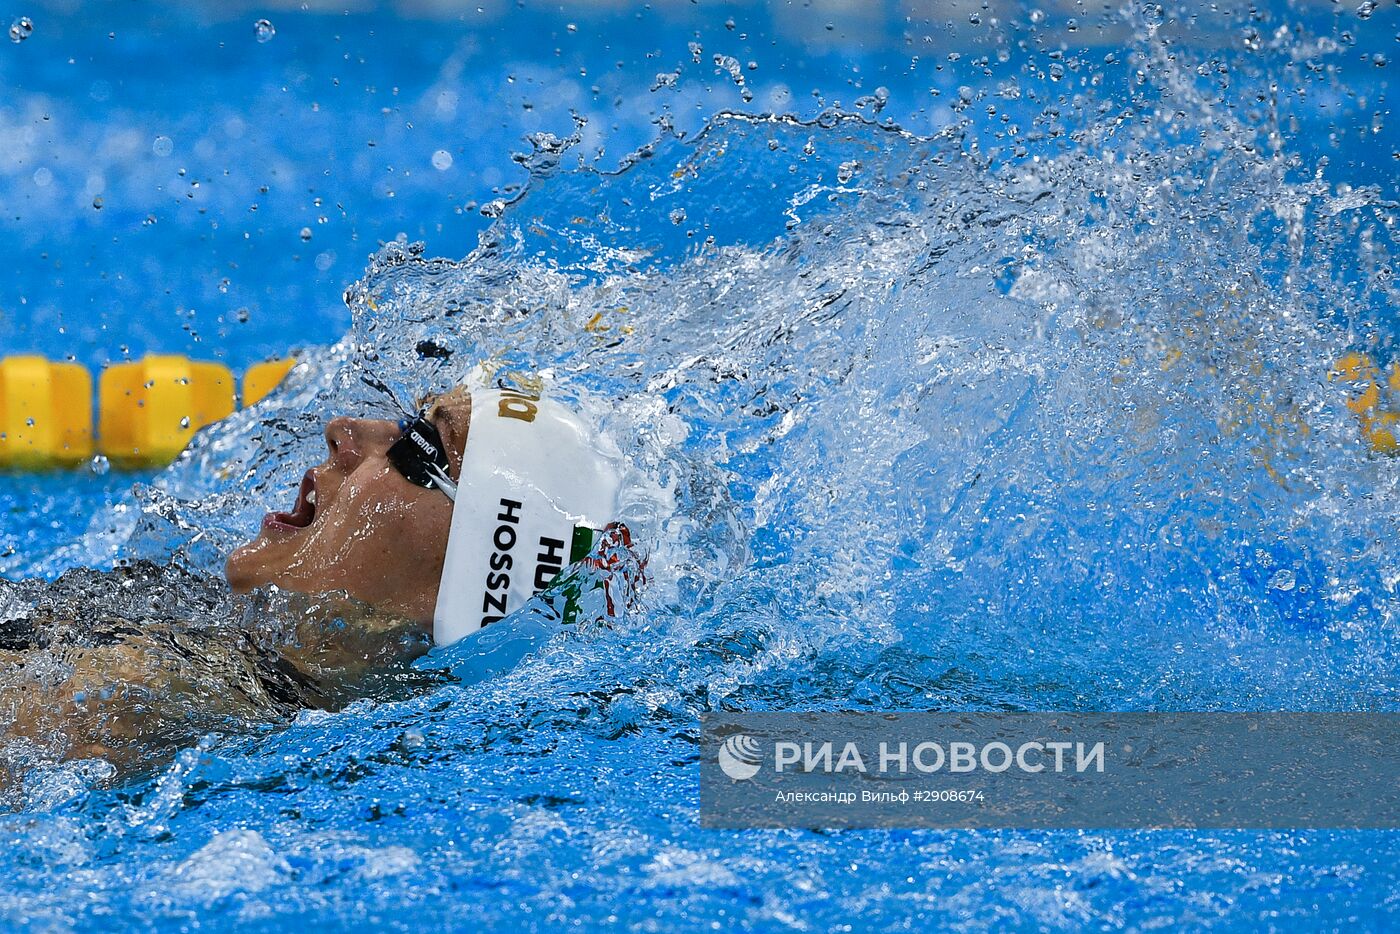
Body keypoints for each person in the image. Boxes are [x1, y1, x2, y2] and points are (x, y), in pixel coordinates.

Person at [0, 373, 645, 795]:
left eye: (417, 446)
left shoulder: (147, 697)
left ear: (467, 574)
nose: (344, 431)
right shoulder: (201, 629)